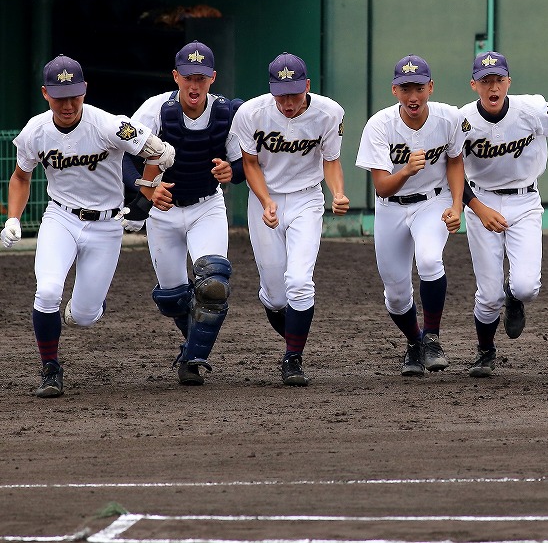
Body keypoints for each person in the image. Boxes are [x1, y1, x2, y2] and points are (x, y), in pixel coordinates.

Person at [2, 55, 175, 398]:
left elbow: (161, 153)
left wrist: (144, 192)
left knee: (82, 316)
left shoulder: (108, 124)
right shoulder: (36, 130)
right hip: (60, 217)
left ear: (85, 91)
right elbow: (21, 176)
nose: (67, 104)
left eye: (74, 95)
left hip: (106, 226)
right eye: (59, 96)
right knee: (48, 291)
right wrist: (13, 217)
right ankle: (51, 368)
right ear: (45, 94)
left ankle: (90, 307)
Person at [122, 40, 245, 386]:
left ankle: (193, 358)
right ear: (175, 76)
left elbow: (242, 164)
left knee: (214, 285)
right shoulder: (155, 110)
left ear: (213, 78)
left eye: (202, 78)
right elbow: (125, 158)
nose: (195, 85)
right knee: (172, 298)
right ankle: (192, 340)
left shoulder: (225, 113)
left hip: (206, 205)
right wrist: (146, 188)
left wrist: (231, 173)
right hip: (163, 213)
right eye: (188, 77)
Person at [228, 52, 349, 386]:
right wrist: (266, 201)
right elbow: (249, 163)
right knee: (277, 296)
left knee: (299, 282)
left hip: (307, 198)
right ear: (271, 90)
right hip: (265, 199)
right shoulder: (251, 113)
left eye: (294, 93)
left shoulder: (329, 112)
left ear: (307, 86)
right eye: (281, 94)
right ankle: (283, 317)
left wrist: (337, 193)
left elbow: (331, 159)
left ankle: (292, 358)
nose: (288, 102)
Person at [459, 51, 548, 377]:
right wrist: (470, 206)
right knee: (487, 294)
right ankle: (485, 351)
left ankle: (514, 298)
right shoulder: (462, 120)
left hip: (525, 201)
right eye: (485, 81)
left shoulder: (533, 109)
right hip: (481, 201)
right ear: (474, 85)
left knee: (526, 287)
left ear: (509, 81)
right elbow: (450, 169)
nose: (493, 87)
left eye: (498, 80)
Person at [355, 54, 464, 377]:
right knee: (396, 294)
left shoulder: (449, 118)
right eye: (405, 88)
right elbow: (382, 188)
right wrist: (405, 171)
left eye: (418, 87)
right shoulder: (379, 125)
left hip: (433, 201)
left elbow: (456, 161)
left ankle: (432, 338)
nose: (412, 96)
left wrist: (457, 205)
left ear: (431, 87)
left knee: (430, 260)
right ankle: (415, 341)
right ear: (394, 91)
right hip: (391, 207)